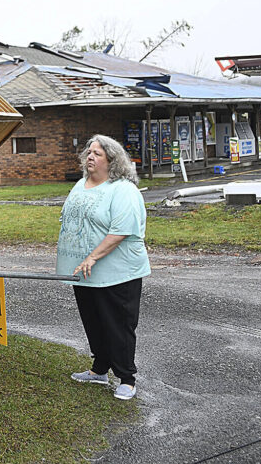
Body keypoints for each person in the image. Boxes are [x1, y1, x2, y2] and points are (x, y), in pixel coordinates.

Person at [57, 134, 150, 400]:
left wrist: (93, 257)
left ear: (112, 160)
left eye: (97, 153)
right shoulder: (80, 184)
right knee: (93, 321)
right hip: (84, 273)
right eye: (88, 152)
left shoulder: (123, 190)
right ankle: (99, 370)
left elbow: (121, 230)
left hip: (117, 272)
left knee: (118, 324)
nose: (89, 156)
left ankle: (127, 378)